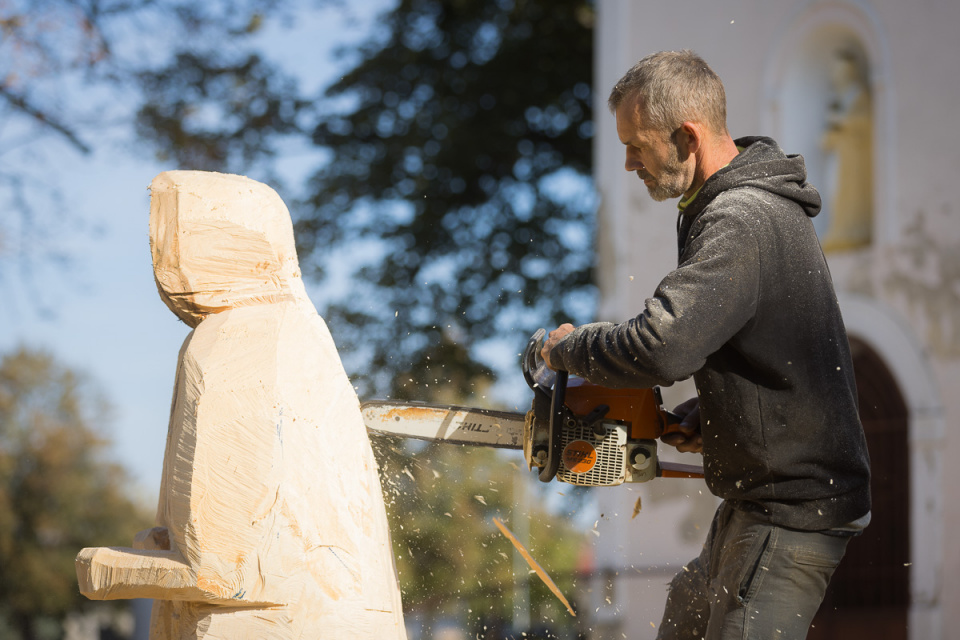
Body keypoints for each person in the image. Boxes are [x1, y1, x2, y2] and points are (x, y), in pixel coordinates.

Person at [540, 50, 871, 640]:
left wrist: (569, 347)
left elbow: (661, 346)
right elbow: (770, 351)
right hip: (753, 504)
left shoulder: (739, 219)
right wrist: (713, 414)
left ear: (687, 137)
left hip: (789, 514)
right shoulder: (739, 209)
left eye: (637, 145)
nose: (626, 162)